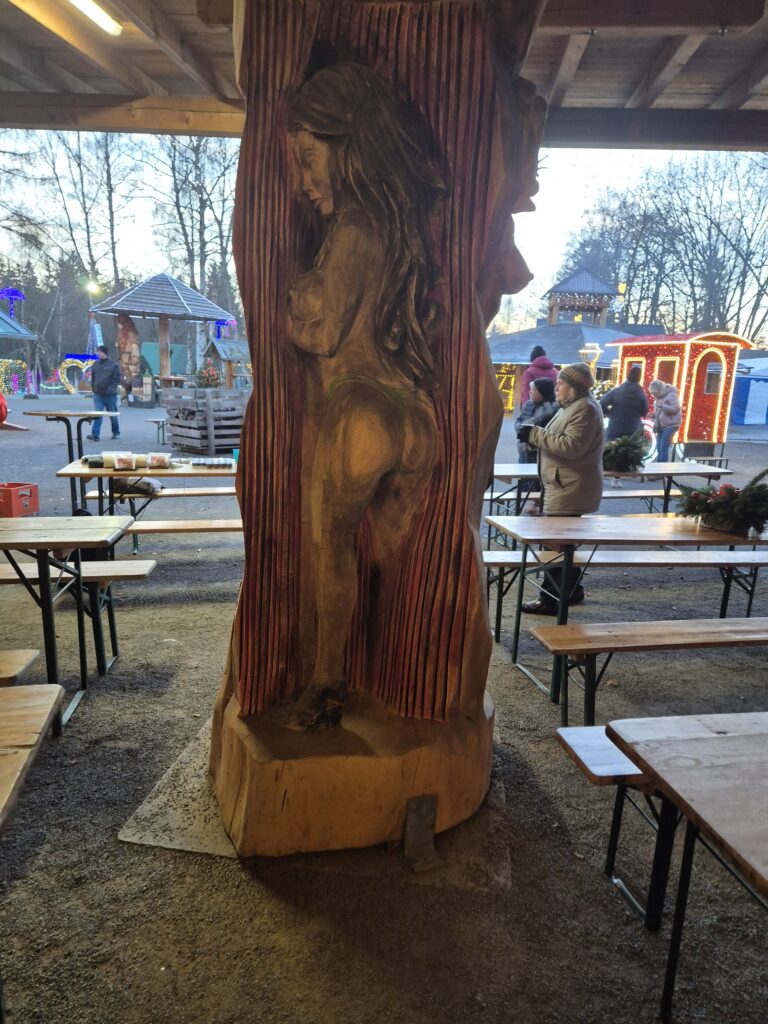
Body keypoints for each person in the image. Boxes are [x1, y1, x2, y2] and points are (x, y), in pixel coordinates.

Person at [286, 63, 443, 728]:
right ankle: (402, 679)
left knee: (333, 550)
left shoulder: (355, 226)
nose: (304, 181)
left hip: (360, 410)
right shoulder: (399, 226)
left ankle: (328, 683)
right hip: (414, 415)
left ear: (346, 148)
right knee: (399, 562)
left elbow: (322, 332)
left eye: (309, 159)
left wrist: (293, 301)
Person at [517, 363, 604, 614]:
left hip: (569, 487)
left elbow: (571, 447)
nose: (556, 387)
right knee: (563, 543)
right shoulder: (574, 406)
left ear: (574, 387)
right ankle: (572, 591)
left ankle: (551, 600)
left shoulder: (584, 408)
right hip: (565, 484)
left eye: (561, 383)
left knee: (554, 545)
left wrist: (535, 435)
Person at [599, 364, 649, 441]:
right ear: (639, 378)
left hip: (615, 426)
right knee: (631, 447)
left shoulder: (617, 390)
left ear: (628, 376)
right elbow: (644, 411)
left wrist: (610, 413)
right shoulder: (641, 394)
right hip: (633, 428)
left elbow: (601, 403)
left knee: (610, 446)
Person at [516, 377, 558, 463]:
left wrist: (523, 428)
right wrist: (520, 427)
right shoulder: (528, 404)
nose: (530, 392)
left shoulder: (553, 409)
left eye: (533, 390)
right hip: (523, 451)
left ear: (542, 391)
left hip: (540, 454)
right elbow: (519, 419)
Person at [87, 344, 122, 441]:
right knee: (98, 414)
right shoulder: (95, 364)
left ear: (105, 353)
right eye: (98, 351)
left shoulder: (113, 365)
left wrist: (111, 389)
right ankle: (95, 435)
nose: (98, 353)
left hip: (110, 395)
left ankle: (116, 432)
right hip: (98, 394)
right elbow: (93, 377)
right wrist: (93, 388)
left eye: (100, 352)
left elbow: (116, 379)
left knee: (112, 415)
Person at [648, 379, 682, 462]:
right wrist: (652, 415)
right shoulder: (658, 398)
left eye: (654, 393)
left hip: (671, 425)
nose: (653, 395)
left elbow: (675, 409)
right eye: (652, 393)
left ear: (659, 390)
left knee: (663, 446)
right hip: (662, 426)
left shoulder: (671, 395)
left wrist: (662, 406)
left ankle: (661, 467)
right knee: (658, 447)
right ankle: (658, 466)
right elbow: (660, 412)